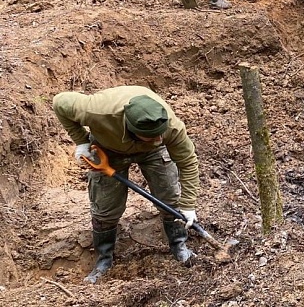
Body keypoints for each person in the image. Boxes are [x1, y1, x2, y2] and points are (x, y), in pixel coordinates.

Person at [53, 86, 199, 283]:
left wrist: (188, 205)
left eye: (160, 134)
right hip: (109, 147)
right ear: (133, 130)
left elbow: (188, 162)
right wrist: (81, 141)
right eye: (153, 136)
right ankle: (104, 260)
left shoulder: (169, 128)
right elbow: (60, 102)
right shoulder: (97, 110)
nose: (159, 138)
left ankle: (179, 245)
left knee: (170, 197)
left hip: (153, 152)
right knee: (105, 208)